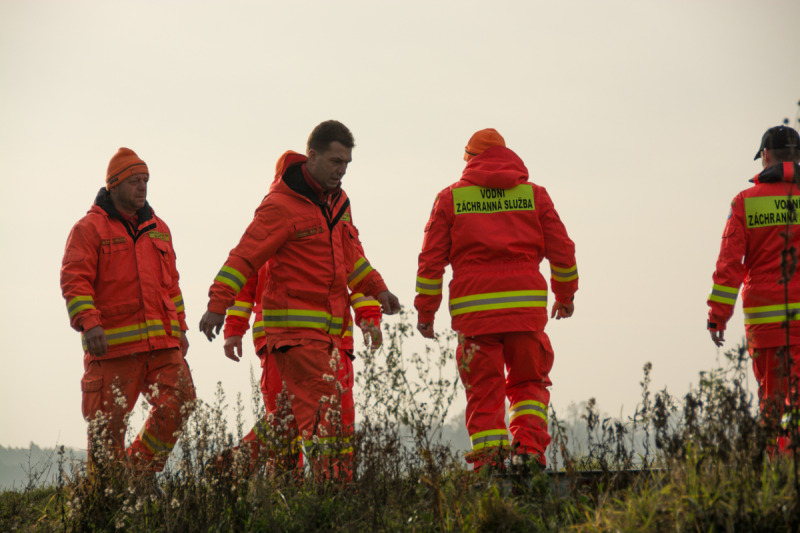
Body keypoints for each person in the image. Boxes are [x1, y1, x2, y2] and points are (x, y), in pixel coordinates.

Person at [199, 120, 400, 480]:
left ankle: (226, 473)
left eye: (347, 164)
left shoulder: (339, 203)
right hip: (294, 336)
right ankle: (336, 495)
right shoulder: (279, 205)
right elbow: (244, 258)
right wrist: (219, 307)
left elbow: (352, 258)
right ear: (313, 156)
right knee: (329, 416)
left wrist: (378, 290)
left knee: (287, 422)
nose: (342, 170)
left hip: (332, 337)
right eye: (336, 161)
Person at [414, 129, 578, 473]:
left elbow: (430, 263)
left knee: (484, 392)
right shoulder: (535, 196)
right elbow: (563, 250)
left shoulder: (450, 198)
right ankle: (528, 453)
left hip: (476, 321)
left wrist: (426, 312)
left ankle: (490, 466)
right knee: (528, 385)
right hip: (525, 316)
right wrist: (565, 296)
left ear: (471, 159)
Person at [60, 147, 196, 473]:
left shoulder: (159, 227)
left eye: (146, 180)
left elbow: (172, 286)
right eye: (135, 180)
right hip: (112, 349)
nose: (142, 186)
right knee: (106, 436)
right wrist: (89, 323)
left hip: (162, 345)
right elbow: (74, 280)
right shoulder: (89, 229)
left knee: (181, 401)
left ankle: (137, 473)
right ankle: (107, 497)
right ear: (114, 185)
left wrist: (180, 329)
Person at [219, 262, 382, 475]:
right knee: (287, 418)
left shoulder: (339, 228)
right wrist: (233, 328)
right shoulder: (268, 230)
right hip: (279, 343)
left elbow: (358, 273)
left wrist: (370, 317)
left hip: (331, 342)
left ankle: (338, 488)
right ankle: (285, 488)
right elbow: (245, 280)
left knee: (335, 418)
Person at [707, 125, 800, 453]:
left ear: (766, 155)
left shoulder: (745, 202)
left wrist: (717, 317)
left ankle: (776, 474)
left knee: (772, 404)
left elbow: (729, 265)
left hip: (766, 324)